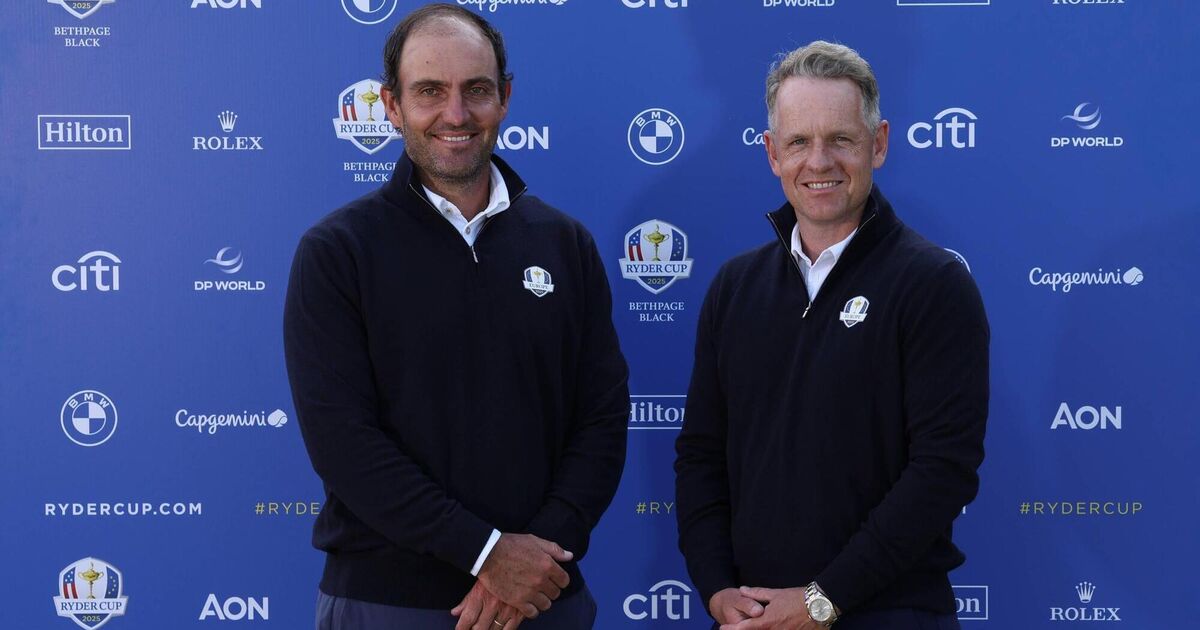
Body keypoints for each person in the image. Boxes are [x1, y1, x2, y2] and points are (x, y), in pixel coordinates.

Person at [283, 5, 629, 629]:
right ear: (391, 106)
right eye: (429, 92)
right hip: (387, 603)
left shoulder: (565, 244)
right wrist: (487, 554)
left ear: (505, 98)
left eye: (476, 90)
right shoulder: (337, 252)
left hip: (543, 598)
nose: (456, 114)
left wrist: (534, 560)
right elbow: (344, 443)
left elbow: (601, 418)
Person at [674, 41, 989, 630]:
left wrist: (823, 599)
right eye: (798, 142)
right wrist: (717, 589)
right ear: (772, 153)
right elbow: (700, 456)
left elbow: (943, 471)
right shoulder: (734, 287)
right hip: (753, 618)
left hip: (892, 615)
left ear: (879, 144)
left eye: (840, 139)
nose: (818, 162)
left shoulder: (933, 284)